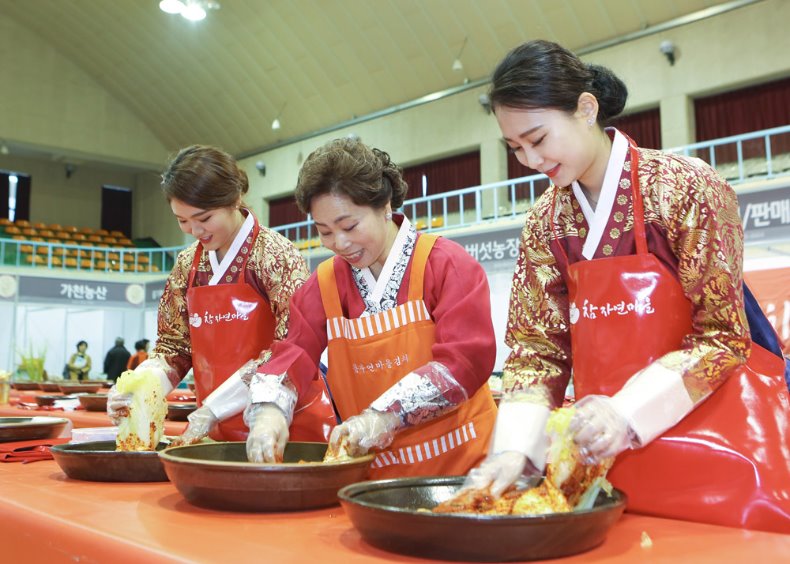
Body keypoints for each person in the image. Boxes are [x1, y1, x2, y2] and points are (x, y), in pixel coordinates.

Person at [463, 40, 790, 534]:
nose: (530, 159)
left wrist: (626, 412)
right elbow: (536, 352)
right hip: (603, 451)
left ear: (586, 109)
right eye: (515, 148)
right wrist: (512, 449)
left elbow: (723, 336)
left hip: (720, 445)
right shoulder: (544, 225)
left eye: (537, 138)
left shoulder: (685, 188)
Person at [244, 137, 498, 478]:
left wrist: (383, 416)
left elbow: (466, 360)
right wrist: (270, 411)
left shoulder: (447, 265)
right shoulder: (323, 286)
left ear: (384, 205)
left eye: (349, 226)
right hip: (375, 480)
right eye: (325, 232)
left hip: (466, 471)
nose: (340, 243)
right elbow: (293, 353)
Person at [107, 145, 335, 444]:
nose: (194, 230)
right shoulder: (187, 265)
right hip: (215, 429)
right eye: (182, 220)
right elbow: (174, 347)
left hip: (287, 424)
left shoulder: (275, 255)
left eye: (204, 217)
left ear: (233, 199)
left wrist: (214, 408)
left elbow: (293, 349)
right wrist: (142, 384)